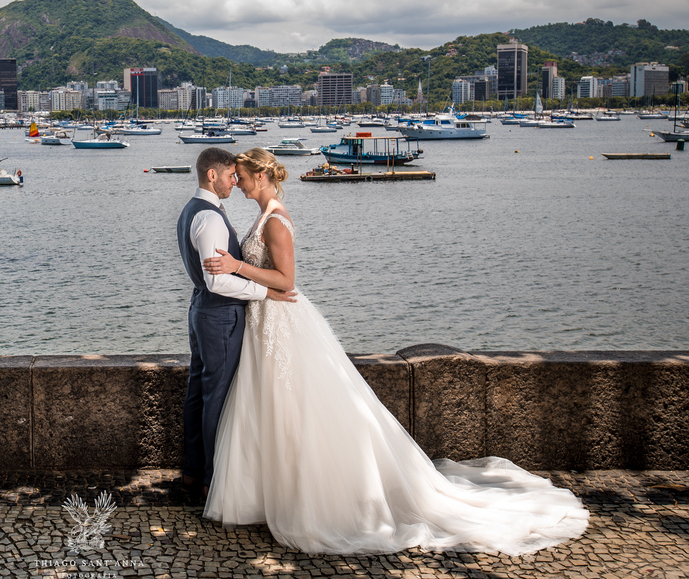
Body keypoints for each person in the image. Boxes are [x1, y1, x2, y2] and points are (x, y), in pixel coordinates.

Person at [199, 148, 588, 554]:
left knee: (295, 409)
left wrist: (237, 267)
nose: (238, 184)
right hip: (266, 324)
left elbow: (286, 280)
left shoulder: (276, 220)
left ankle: (309, 497)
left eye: (241, 176)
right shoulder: (263, 215)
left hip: (281, 324)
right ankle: (265, 495)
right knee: (269, 408)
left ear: (259, 177)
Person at [176, 147, 295, 502]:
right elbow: (218, 280)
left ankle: (192, 473)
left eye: (239, 176)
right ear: (212, 176)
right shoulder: (210, 217)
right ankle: (212, 480)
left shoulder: (191, 211)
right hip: (220, 312)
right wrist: (264, 292)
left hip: (204, 310)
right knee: (216, 398)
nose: (235, 182)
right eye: (231, 176)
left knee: (198, 393)